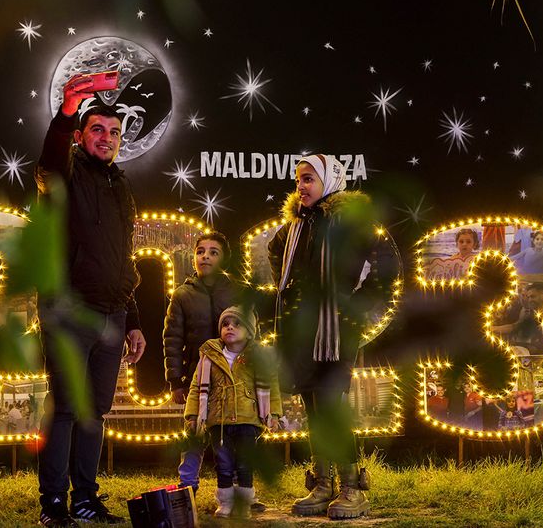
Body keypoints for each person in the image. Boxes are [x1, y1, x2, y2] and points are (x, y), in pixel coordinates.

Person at [34, 73, 147, 527]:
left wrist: (133, 318)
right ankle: (54, 505)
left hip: (112, 314)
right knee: (64, 407)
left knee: (95, 411)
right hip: (69, 309)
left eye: (114, 132)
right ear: (81, 137)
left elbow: (123, 256)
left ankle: (86, 499)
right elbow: (48, 164)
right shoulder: (64, 174)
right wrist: (65, 113)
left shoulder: (121, 186)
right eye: (97, 129)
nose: (107, 138)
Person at [269, 154, 393, 520]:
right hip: (303, 330)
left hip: (335, 330)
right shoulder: (294, 227)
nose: (301, 186)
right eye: (298, 180)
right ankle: (322, 485)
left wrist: (354, 307)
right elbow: (276, 253)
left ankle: (353, 488)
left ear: (330, 181)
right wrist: (289, 293)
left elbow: (387, 265)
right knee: (311, 404)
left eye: (309, 179)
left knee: (331, 405)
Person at [162, 232, 250, 497]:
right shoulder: (182, 295)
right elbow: (172, 338)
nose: (206, 257)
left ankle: (237, 489)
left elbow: (250, 331)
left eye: (214, 252)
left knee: (233, 431)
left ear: (224, 259)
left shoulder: (237, 291)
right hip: (197, 377)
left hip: (233, 378)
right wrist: (175, 380)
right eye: (201, 251)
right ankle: (187, 487)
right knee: (194, 433)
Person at [184, 306, 281, 520]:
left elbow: (271, 385)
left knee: (245, 463)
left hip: (249, 419)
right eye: (226, 324)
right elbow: (196, 386)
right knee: (224, 463)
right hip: (219, 421)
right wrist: (192, 415)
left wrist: (273, 413)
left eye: (237, 325)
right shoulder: (209, 356)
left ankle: (244, 504)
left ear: (249, 331)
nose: (230, 328)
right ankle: (226, 502)